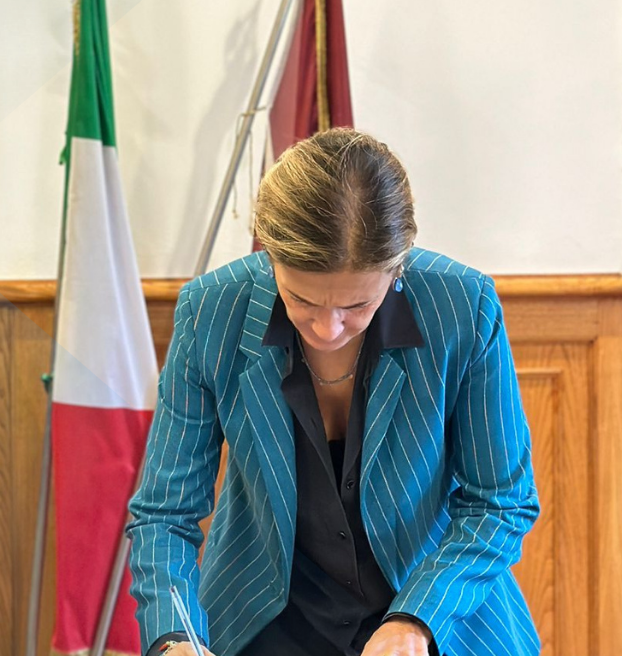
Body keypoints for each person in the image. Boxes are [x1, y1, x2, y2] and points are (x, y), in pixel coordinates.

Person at [126, 128, 540, 656]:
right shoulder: (211, 312)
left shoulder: (462, 307)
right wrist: (174, 637)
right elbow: (165, 513)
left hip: (441, 615)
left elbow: (500, 501)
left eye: (357, 306)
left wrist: (416, 620)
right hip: (263, 621)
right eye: (302, 300)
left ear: (397, 268)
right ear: (270, 257)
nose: (327, 329)